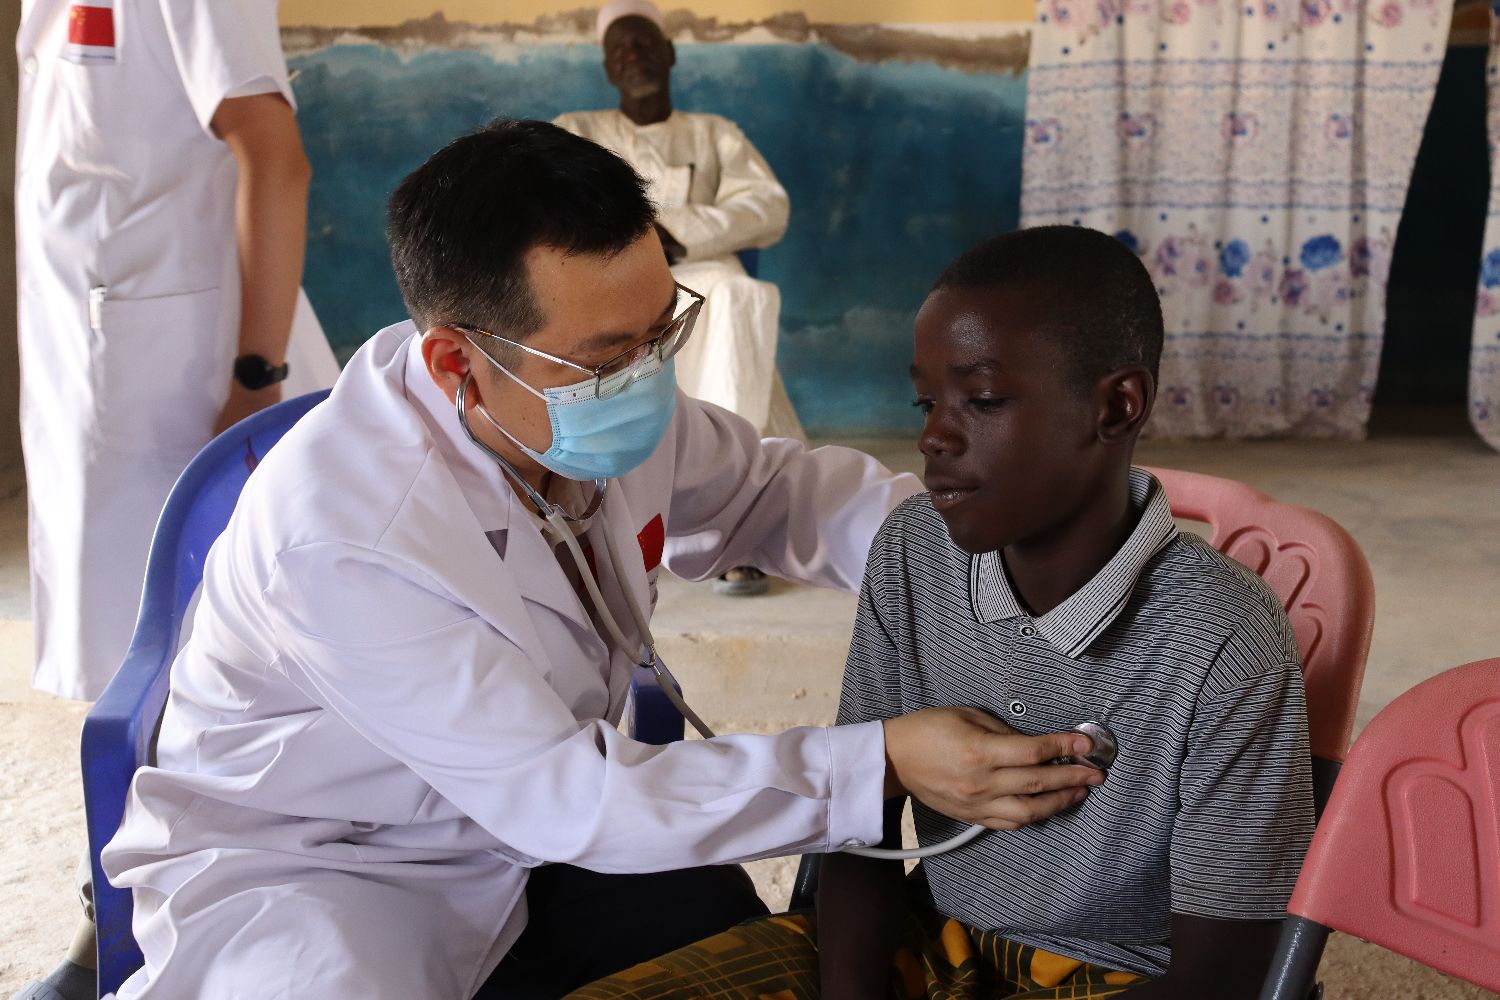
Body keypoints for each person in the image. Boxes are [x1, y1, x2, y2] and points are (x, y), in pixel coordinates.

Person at [95, 121, 1107, 999]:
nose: (647, 374)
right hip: (327, 867)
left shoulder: (577, 409)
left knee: (741, 953)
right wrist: (880, 760)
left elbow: (776, 493)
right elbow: (568, 797)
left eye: (660, 332)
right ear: (456, 361)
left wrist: (985, 542)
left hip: (523, 843)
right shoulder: (342, 536)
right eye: (607, 357)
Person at [567, 226, 1317, 1000]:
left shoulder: (1224, 634)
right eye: (926, 402)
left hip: (1122, 980)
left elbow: (1223, 976)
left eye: (982, 401)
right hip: (935, 943)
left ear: (1116, 406)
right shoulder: (914, 551)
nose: (933, 437)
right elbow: (860, 825)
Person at [12, 2, 336, 997]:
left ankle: (130, 938)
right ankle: (124, 919)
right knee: (141, 679)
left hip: (190, 378)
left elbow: (275, 157)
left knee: (201, 677)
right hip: (99, 364)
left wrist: (256, 377)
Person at [555, 0, 799, 596]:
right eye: (619, 49)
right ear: (607, 68)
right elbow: (552, 207)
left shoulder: (715, 134)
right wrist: (638, 238)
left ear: (669, 53)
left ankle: (729, 518)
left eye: (643, 43)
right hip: (611, 276)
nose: (633, 56)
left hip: (704, 268)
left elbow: (767, 206)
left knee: (739, 295)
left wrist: (681, 232)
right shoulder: (576, 132)